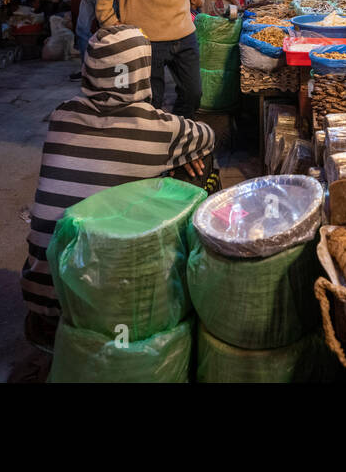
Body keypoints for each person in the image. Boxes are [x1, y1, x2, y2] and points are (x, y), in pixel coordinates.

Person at [19, 24, 215, 348]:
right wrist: (179, 156)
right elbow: (208, 137)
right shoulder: (160, 129)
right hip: (111, 309)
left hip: (41, 298)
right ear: (142, 71)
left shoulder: (61, 116)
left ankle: (51, 338)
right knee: (198, 166)